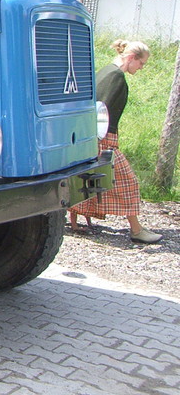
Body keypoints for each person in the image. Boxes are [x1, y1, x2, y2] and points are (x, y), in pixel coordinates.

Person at [69, 39, 161, 243]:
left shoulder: (106, 71)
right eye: (142, 63)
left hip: (92, 135)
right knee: (128, 182)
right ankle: (136, 230)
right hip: (103, 138)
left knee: (87, 178)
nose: (142, 68)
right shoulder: (116, 76)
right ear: (131, 58)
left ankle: (74, 222)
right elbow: (103, 109)